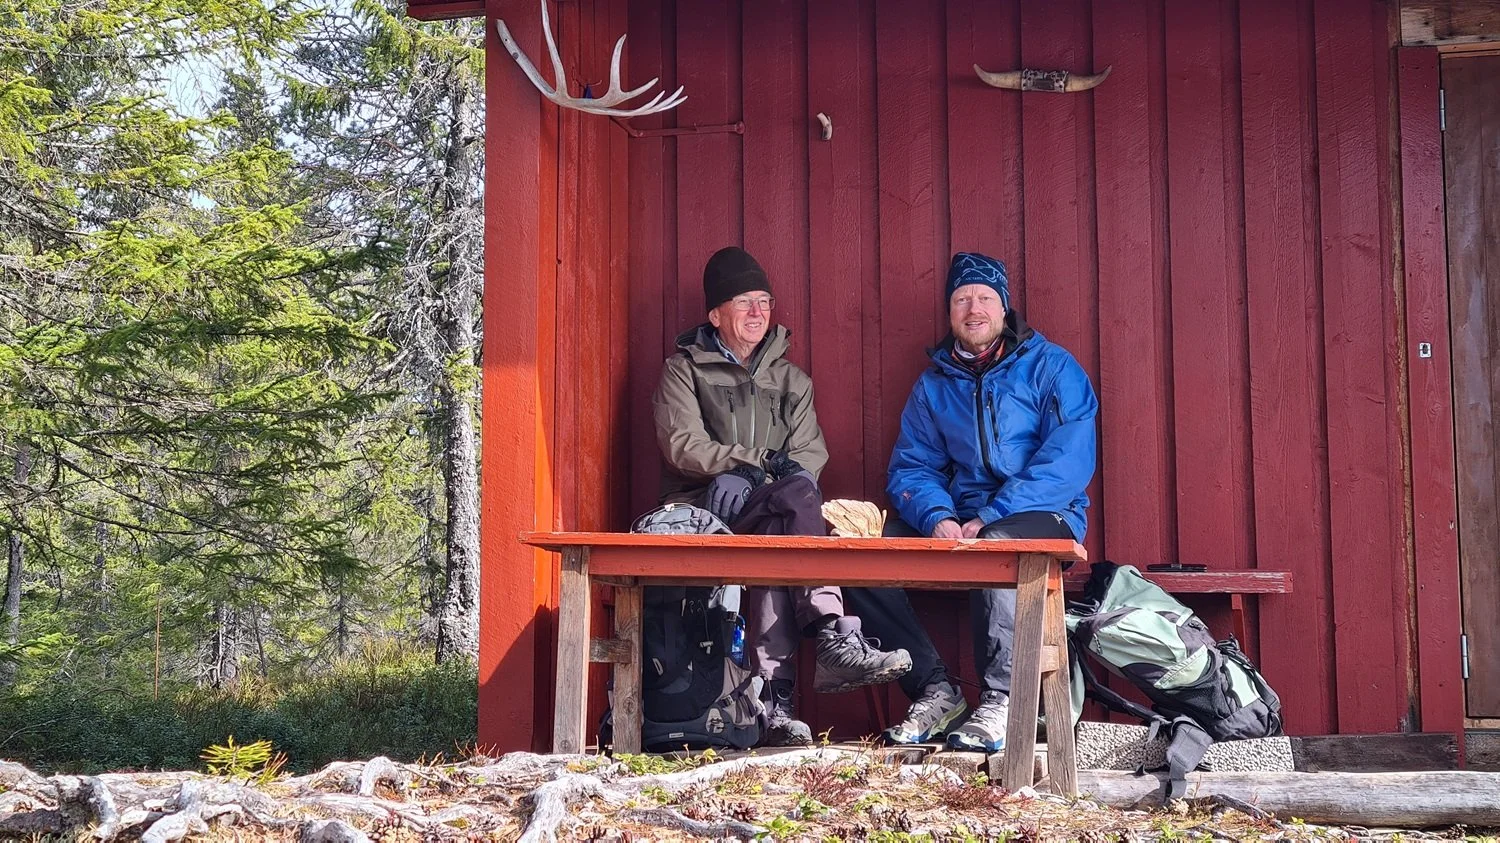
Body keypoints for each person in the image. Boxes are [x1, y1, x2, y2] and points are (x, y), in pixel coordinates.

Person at [650, 245, 912, 746]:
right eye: (745, 302)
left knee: (782, 525)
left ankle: (771, 704)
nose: (758, 313)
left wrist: (759, 476)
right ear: (715, 314)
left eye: (765, 302)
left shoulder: (792, 380)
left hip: (770, 505)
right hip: (705, 505)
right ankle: (832, 633)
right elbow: (680, 445)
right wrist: (748, 466)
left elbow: (809, 455)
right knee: (790, 503)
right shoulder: (684, 370)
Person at [844, 251, 1098, 752]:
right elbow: (912, 467)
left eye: (984, 297)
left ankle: (1003, 699)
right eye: (962, 298)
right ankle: (934, 690)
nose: (973, 308)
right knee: (861, 551)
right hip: (961, 521)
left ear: (1004, 308)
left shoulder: (1052, 368)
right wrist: (937, 516)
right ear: (950, 312)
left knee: (998, 547)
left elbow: (1067, 462)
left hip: (1040, 515)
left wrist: (988, 517)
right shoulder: (934, 385)